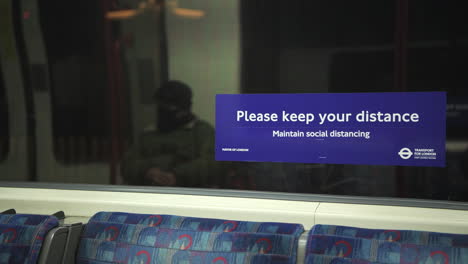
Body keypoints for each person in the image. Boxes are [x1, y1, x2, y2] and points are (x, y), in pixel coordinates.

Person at [121, 81, 222, 187]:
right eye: (161, 107)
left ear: (184, 110)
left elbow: (214, 163)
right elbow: (127, 164)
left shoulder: (202, 132)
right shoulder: (148, 134)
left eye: (169, 108)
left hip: (187, 195)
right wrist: (147, 171)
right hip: (150, 194)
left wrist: (177, 175)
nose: (163, 113)